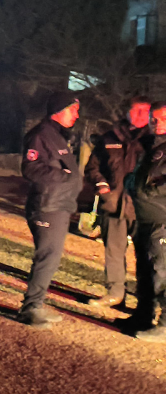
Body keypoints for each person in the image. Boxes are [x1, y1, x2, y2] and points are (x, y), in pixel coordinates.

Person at [18, 92, 83, 328]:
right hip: (47, 206)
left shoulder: (56, 135)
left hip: (59, 205)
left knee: (51, 258)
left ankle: (36, 304)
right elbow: (31, 168)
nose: (77, 115)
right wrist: (65, 177)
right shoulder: (41, 135)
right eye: (73, 110)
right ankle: (30, 308)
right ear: (59, 109)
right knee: (47, 257)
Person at [85, 95, 152, 306]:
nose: (140, 115)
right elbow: (92, 167)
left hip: (142, 208)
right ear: (126, 112)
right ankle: (115, 294)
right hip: (113, 204)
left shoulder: (154, 140)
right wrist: (102, 186)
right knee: (113, 251)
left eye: (145, 111)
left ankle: (145, 301)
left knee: (146, 255)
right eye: (136, 110)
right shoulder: (109, 138)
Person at [126, 101, 166, 343]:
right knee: (144, 272)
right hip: (144, 219)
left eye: (163, 119)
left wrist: (148, 192)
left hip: (162, 219)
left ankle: (164, 326)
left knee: (161, 274)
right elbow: (137, 177)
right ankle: (143, 316)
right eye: (154, 118)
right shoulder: (152, 146)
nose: (157, 123)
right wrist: (134, 186)